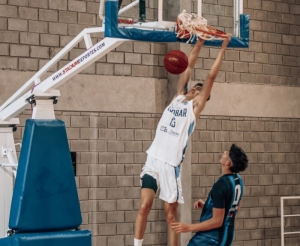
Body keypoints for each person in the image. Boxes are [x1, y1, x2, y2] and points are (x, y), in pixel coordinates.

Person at [134, 36, 231, 246]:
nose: (197, 89)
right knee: (144, 206)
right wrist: (199, 44)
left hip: (170, 165)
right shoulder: (178, 96)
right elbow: (188, 64)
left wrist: (222, 49)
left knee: (171, 218)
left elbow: (211, 77)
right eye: (195, 87)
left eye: (201, 91)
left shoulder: (194, 111)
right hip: (153, 160)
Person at [171, 144, 249, 246]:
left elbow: (217, 221)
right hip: (227, 237)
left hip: (210, 238)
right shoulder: (238, 180)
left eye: (227, 153)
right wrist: (208, 206)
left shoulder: (221, 185)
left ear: (228, 163)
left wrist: (189, 227)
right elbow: (234, 208)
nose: (224, 152)